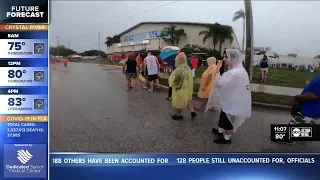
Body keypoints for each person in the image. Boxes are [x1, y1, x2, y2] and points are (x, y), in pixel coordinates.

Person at [211, 49, 251, 144]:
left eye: (226, 57)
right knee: (223, 117)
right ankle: (220, 132)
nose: (224, 59)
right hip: (232, 100)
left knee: (228, 121)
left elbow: (218, 83)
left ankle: (226, 139)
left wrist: (218, 69)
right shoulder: (238, 70)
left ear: (232, 58)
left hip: (232, 102)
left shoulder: (234, 72)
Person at [169, 52, 197, 120]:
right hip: (187, 88)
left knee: (178, 103)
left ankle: (179, 115)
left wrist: (174, 85)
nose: (175, 61)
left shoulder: (179, 69)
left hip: (180, 89)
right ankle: (192, 112)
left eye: (176, 60)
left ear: (179, 60)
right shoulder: (187, 67)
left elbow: (177, 81)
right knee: (186, 100)